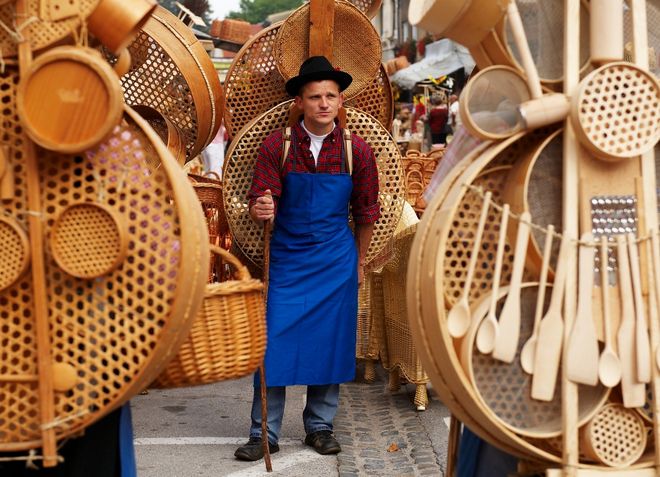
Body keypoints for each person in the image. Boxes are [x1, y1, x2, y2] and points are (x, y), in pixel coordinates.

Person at [235, 55, 381, 462]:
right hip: (287, 258)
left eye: (330, 96)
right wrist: (261, 208)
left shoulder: (358, 152)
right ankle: (263, 431)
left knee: (329, 346)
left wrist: (359, 262)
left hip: (336, 261)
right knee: (273, 344)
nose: (323, 103)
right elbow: (259, 200)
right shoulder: (277, 146)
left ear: (340, 102)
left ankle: (320, 427)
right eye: (314, 96)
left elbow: (368, 211)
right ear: (299, 101)